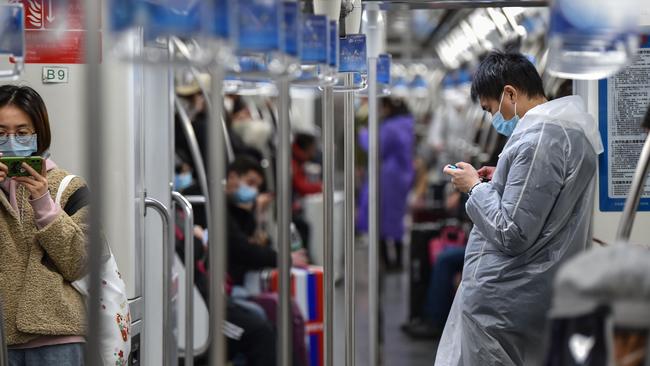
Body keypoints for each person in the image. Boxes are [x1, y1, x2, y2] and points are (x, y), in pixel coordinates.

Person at [436, 51, 603, 365]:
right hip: (525, 295)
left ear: (509, 93)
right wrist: (497, 181)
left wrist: (473, 187)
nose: (492, 118)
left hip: (502, 303)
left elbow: (511, 232)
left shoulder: (539, 140)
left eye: (490, 108)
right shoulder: (567, 130)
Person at [0, 85, 88, 365]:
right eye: (0, 133)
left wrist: (42, 201)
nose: (10, 141)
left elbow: (81, 261)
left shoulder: (68, 187)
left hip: (57, 336)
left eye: (22, 133)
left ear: (39, 135)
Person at [357, 97, 415, 270]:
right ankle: (397, 261)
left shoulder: (390, 127)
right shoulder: (406, 124)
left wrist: (364, 135)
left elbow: (376, 148)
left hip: (388, 177)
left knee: (379, 218)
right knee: (396, 218)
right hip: (403, 175)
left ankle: (387, 263)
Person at [291, 132, 322, 253]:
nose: (314, 152)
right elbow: (301, 186)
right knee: (303, 228)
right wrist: (320, 187)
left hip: (294, 205)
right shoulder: (293, 161)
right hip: (287, 209)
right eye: (313, 148)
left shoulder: (298, 160)